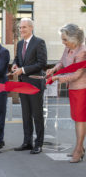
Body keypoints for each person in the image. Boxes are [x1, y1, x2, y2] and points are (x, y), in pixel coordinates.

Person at [46, 24, 86, 163]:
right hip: (73, 89)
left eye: (65, 40)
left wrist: (58, 78)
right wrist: (54, 69)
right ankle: (79, 148)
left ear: (74, 39)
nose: (63, 42)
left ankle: (79, 149)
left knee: (81, 119)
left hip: (82, 89)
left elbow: (77, 74)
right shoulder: (68, 48)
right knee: (76, 118)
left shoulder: (82, 51)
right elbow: (61, 62)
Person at [12, 18, 47, 154]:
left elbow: (42, 63)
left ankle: (38, 144)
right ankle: (27, 142)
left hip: (35, 84)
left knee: (37, 115)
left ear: (31, 28)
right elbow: (17, 59)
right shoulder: (20, 44)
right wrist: (15, 64)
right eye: (20, 28)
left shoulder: (39, 42)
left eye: (24, 27)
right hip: (22, 84)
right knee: (26, 115)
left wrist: (24, 70)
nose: (21, 30)